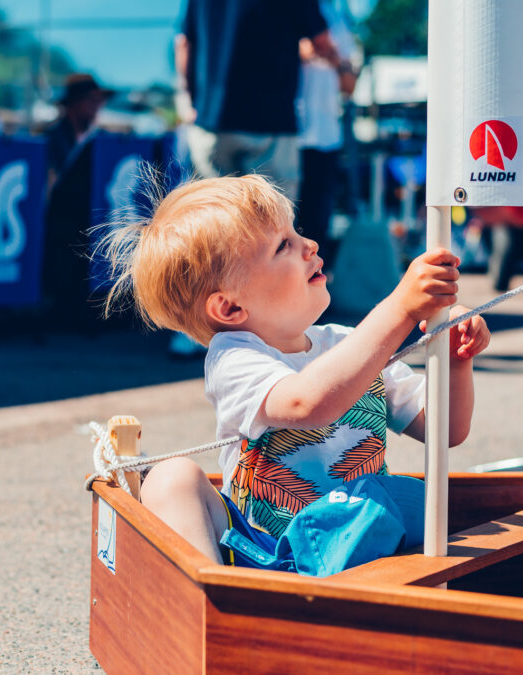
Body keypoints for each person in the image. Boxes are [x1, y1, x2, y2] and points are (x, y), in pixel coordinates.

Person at [103, 175, 489, 565]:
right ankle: (212, 595)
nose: (310, 245)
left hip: (363, 536)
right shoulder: (233, 358)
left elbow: (446, 430)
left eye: (296, 231)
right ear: (230, 308)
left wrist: (456, 360)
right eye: (283, 245)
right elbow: (307, 402)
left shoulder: (348, 344)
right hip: (265, 554)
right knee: (171, 478)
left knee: (404, 498)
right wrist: (400, 308)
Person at [175, 0, 356, 200]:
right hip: (271, 125)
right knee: (272, 213)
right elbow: (320, 41)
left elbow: (184, 43)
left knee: (215, 212)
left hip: (211, 120)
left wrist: (189, 101)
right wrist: (339, 61)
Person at [295, 1, 359, 275]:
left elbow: (350, 85)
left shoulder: (339, 22)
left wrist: (331, 56)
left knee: (318, 220)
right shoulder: (287, 11)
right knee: (284, 220)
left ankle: (313, 284)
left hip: (326, 136)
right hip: (289, 133)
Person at [46, 73, 113, 181]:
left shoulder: (101, 138)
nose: (97, 104)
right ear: (74, 102)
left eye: (100, 99)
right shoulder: (50, 139)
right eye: (92, 99)